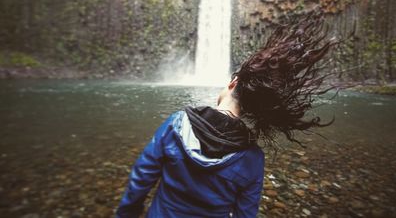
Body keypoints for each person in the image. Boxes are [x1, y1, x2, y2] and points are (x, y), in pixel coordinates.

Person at [116, 11, 339, 218]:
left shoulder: (177, 123)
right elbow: (245, 214)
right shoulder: (252, 158)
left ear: (233, 83)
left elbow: (142, 177)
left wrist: (128, 212)